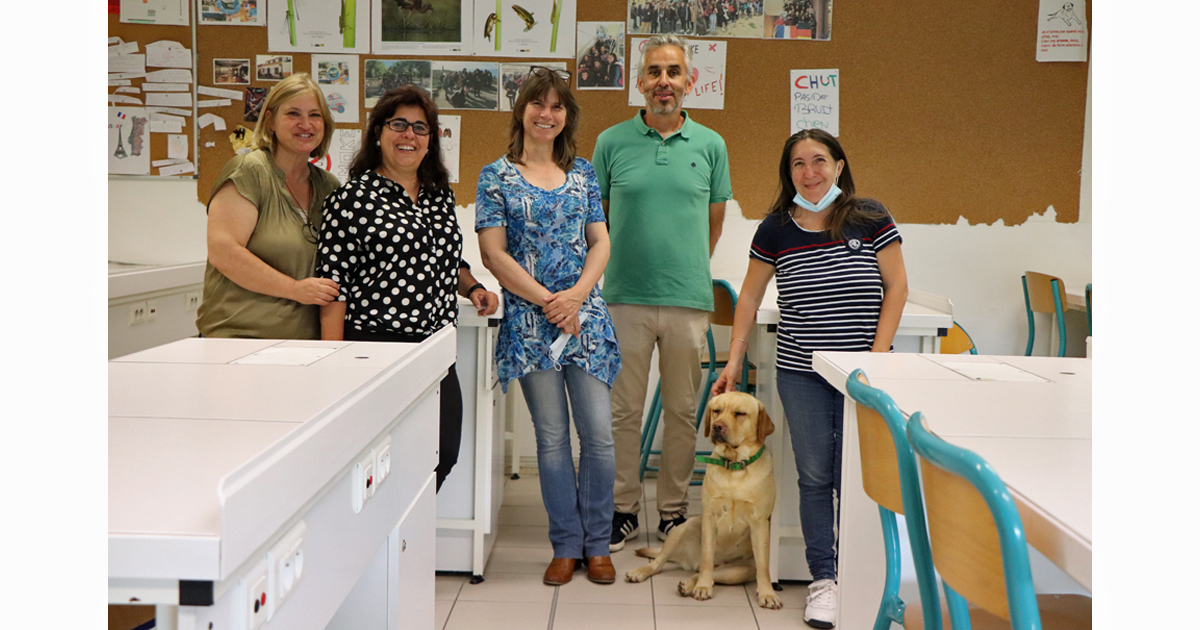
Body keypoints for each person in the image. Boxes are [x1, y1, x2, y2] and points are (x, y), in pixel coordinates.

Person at [712, 129, 909, 629]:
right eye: (798, 164)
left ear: (839, 166)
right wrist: (734, 360)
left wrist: (878, 359)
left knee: (861, 478)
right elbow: (751, 298)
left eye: (819, 160)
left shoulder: (870, 216)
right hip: (802, 373)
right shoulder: (776, 229)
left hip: (864, 376)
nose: (810, 171)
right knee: (817, 477)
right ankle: (825, 580)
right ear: (789, 173)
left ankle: (867, 578)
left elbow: (897, 286)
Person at [314, 85, 499, 493]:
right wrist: (333, 364)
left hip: (435, 349)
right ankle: (379, 549)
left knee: (442, 453)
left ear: (431, 141)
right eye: (399, 124)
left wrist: (472, 289)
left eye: (420, 128)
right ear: (378, 132)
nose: (409, 136)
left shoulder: (437, 195)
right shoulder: (351, 200)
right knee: (378, 464)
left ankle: (403, 545)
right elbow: (334, 286)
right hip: (377, 350)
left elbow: (446, 259)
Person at [475, 67, 621, 587]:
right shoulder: (496, 176)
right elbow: (494, 253)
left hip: (585, 321)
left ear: (567, 117)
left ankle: (598, 545)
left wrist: (577, 296)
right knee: (553, 438)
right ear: (522, 110)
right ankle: (565, 545)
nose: (547, 114)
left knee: (599, 437)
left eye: (557, 107)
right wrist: (548, 302)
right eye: (539, 104)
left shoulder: (582, 173)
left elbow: (600, 242)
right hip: (530, 325)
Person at [592, 34, 732, 552]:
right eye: (654, 72)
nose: (664, 82)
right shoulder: (610, 143)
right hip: (623, 297)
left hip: (688, 302)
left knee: (680, 412)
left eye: (674, 72)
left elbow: (713, 225)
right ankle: (623, 508)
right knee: (623, 411)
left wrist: (682, 269)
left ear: (689, 81)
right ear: (640, 81)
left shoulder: (711, 145)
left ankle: (673, 513)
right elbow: (597, 222)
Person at [197, 73, 340, 339]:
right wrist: (295, 289)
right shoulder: (249, 171)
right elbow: (223, 251)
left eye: (315, 115)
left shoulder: (329, 187)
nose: (305, 124)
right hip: (238, 340)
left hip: (303, 347)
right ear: (271, 120)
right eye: (293, 113)